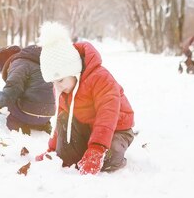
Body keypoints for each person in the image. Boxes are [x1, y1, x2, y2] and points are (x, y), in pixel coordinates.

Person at [35, 21, 135, 175]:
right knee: (67, 156)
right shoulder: (63, 88)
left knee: (108, 156)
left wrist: (96, 149)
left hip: (116, 128)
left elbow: (107, 115)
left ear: (73, 70)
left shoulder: (100, 78)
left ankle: (113, 156)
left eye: (60, 80)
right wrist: (53, 150)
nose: (57, 86)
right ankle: (82, 151)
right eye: (53, 82)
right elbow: (60, 123)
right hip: (88, 128)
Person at [0, 44, 56, 135]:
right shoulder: (39, 62)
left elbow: (12, 87)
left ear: (8, 64)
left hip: (29, 112)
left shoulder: (18, 63)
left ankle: (17, 126)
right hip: (48, 114)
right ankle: (41, 125)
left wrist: (0, 111)